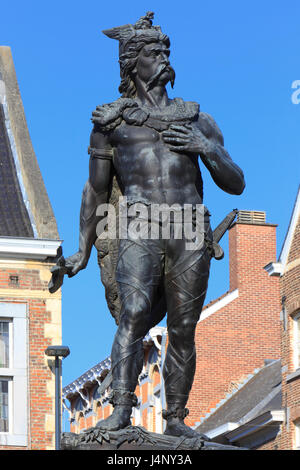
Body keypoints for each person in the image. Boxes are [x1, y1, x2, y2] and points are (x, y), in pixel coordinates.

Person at [64, 12, 245, 438]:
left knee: (183, 327)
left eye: (165, 50)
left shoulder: (198, 120)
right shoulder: (111, 122)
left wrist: (206, 149)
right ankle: (121, 410)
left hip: (188, 230)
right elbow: (94, 190)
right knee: (133, 314)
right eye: (151, 52)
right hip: (138, 225)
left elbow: (236, 182)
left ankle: (176, 418)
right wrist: (82, 251)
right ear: (131, 62)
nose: (162, 57)